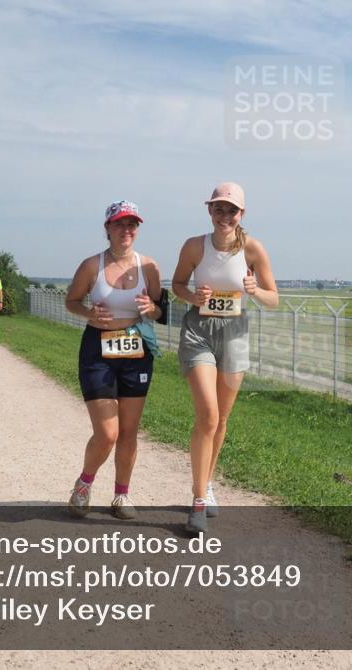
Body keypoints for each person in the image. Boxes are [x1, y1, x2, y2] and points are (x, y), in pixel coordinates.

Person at [171, 182, 278, 534]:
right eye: (218, 208)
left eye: (231, 210)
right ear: (209, 211)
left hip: (234, 335)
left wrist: (254, 290)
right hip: (198, 332)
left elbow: (273, 298)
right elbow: (177, 286)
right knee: (208, 414)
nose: (224, 215)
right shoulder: (193, 246)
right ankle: (198, 499)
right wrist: (194, 296)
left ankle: (208, 480)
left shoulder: (253, 249)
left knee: (222, 419)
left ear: (241, 214)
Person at [64, 200, 164, 520]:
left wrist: (153, 310)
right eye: (120, 224)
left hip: (136, 349)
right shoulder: (92, 266)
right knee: (108, 432)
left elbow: (161, 312)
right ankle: (84, 483)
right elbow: (72, 301)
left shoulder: (149, 267)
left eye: (132, 224)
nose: (126, 230)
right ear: (107, 228)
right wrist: (89, 312)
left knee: (130, 430)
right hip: (98, 350)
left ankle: (122, 495)